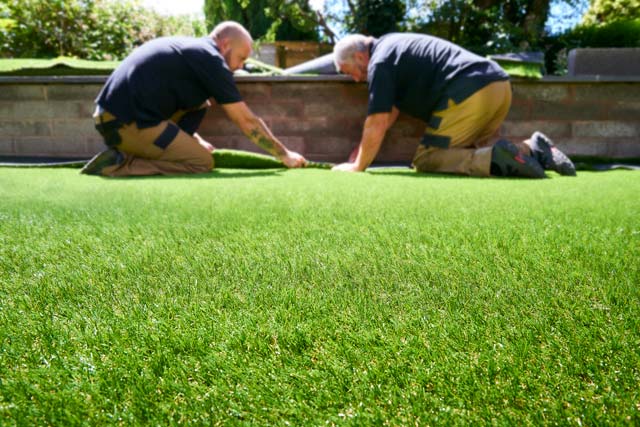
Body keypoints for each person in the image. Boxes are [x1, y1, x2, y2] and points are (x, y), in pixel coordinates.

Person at [331, 33, 576, 178]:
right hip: (499, 87)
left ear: (360, 57)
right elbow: (390, 112)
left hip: (470, 92)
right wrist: (362, 152)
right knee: (472, 148)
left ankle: (496, 158)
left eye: (348, 71)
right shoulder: (392, 47)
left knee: (428, 158)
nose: (353, 79)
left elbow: (377, 121)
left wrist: (357, 166)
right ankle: (533, 148)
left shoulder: (380, 63)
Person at [82, 21, 306, 176]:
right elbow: (246, 121)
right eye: (241, 58)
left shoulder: (193, 51)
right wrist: (284, 154)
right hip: (124, 122)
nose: (240, 66)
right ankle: (119, 165)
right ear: (225, 44)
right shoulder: (210, 58)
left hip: (115, 117)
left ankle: (131, 152)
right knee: (201, 162)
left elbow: (173, 100)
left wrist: (195, 140)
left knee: (200, 103)